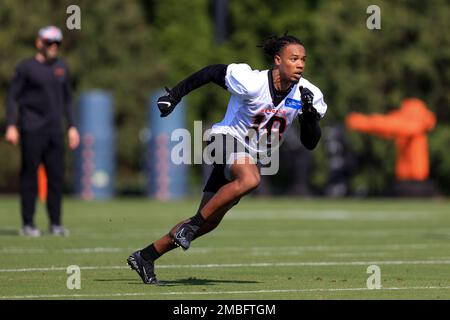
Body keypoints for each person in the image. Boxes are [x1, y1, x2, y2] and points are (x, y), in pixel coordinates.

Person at [127, 34, 328, 284]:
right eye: (294, 58)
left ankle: (145, 256)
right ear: (278, 60)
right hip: (224, 140)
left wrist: (309, 116)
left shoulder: (308, 93)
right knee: (250, 179)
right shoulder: (252, 81)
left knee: (208, 222)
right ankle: (190, 226)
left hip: (250, 155)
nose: (300, 64)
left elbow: (311, 142)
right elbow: (212, 72)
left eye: (303, 60)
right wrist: (175, 95)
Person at [5, 26, 80, 237]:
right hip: (31, 129)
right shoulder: (26, 68)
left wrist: (72, 126)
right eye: (49, 42)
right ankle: (28, 223)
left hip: (55, 132)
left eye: (57, 43)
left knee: (56, 178)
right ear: (39, 43)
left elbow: (67, 101)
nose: (53, 47)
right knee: (29, 177)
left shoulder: (62, 68)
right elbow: (12, 97)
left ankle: (55, 223)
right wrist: (11, 124)